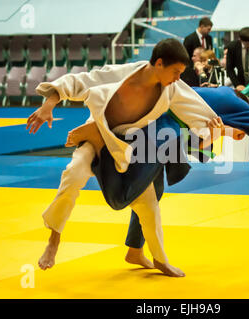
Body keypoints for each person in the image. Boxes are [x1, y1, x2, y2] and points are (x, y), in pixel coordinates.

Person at [26, 38, 222, 277]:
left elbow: (200, 115)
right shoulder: (122, 75)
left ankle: (160, 259)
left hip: (128, 146)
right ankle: (53, 240)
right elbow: (79, 81)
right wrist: (49, 104)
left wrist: (212, 133)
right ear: (159, 63)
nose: (178, 78)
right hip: (98, 134)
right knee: (73, 174)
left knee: (147, 202)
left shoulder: (171, 89)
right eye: (175, 72)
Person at [118, 86, 249, 265]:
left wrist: (219, 133)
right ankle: (143, 252)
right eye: (242, 127)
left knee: (152, 189)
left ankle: (135, 250)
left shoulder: (207, 108)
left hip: (155, 126)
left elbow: (195, 148)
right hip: (149, 123)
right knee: (147, 192)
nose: (242, 132)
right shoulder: (230, 100)